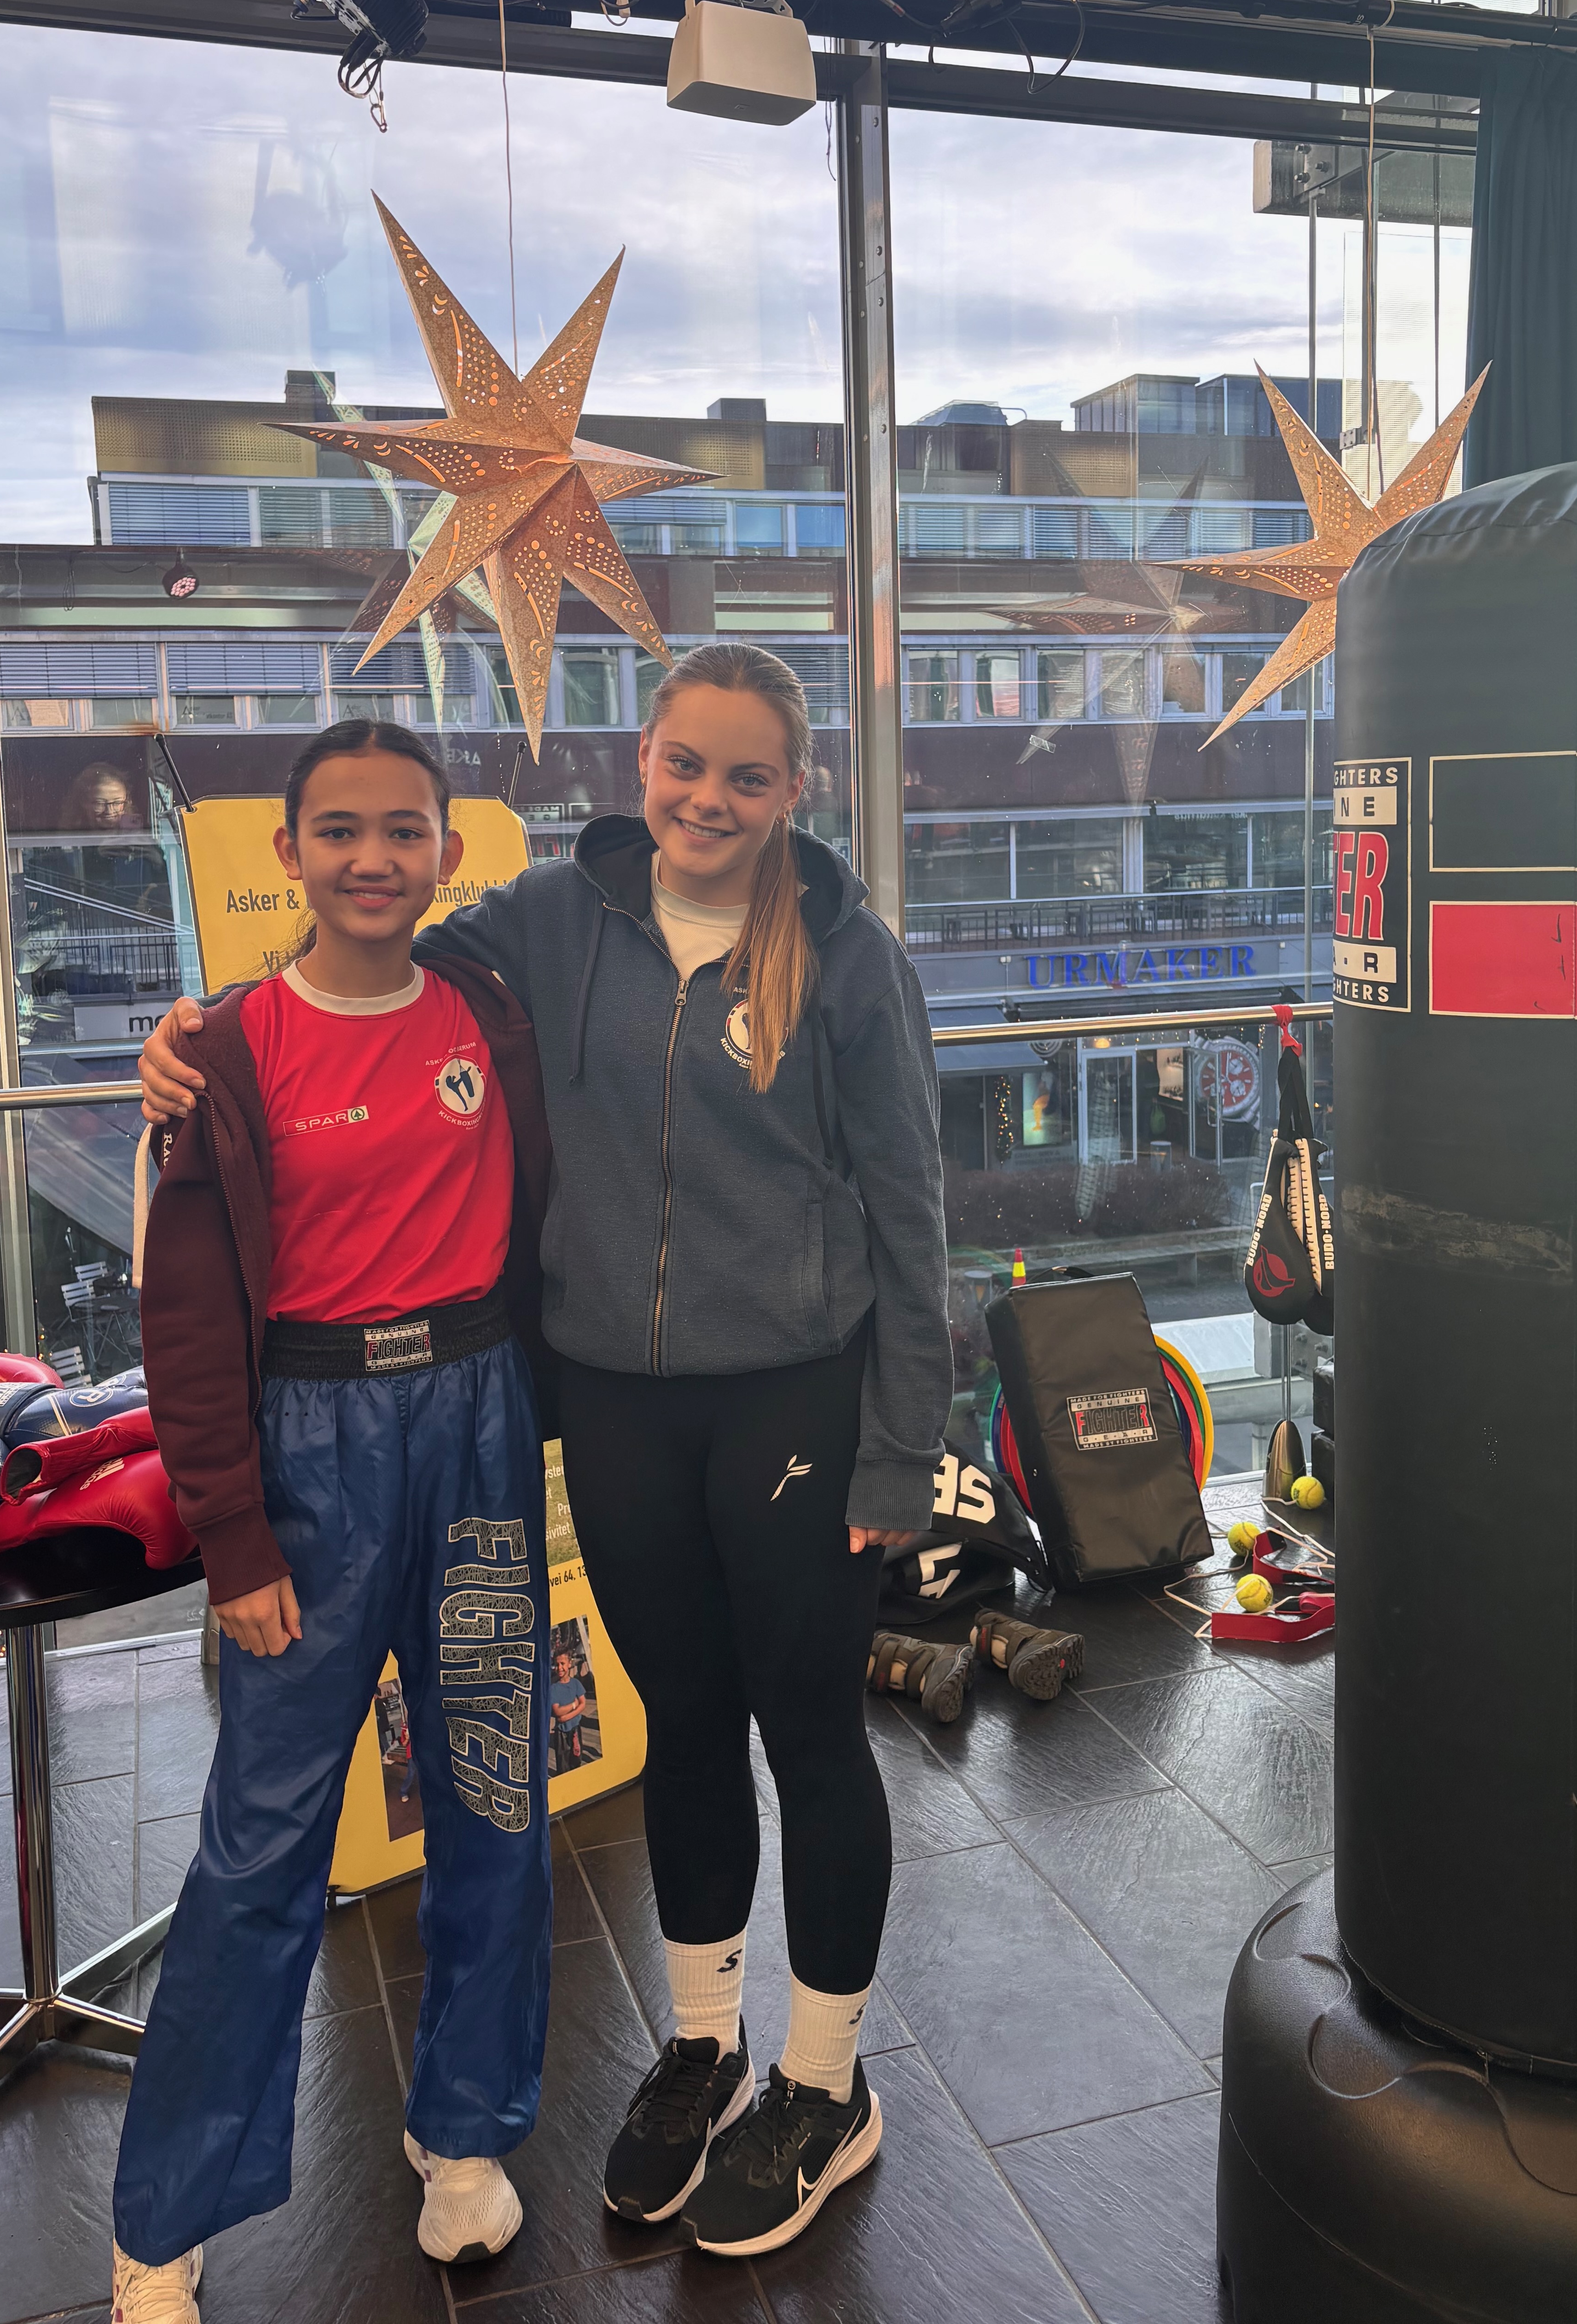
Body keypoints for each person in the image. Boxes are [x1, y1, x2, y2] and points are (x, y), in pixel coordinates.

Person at [139, 641, 952, 2261]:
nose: (707, 800)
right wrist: (201, 1031)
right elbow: (362, 961)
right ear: (641, 762)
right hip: (616, 1405)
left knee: (807, 1732)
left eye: (746, 777)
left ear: (793, 790)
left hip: (795, 1405)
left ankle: (823, 2081)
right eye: (683, 765)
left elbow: (912, 1214)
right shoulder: (546, 920)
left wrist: (897, 1455)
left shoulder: (847, 954)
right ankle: (706, 2044)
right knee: (682, 1732)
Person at [112, 720, 554, 2324]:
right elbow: (182, 1315)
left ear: (448, 850)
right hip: (307, 1448)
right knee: (263, 1840)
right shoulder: (226, 1051)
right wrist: (232, 1536)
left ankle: (466, 2132)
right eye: (342, 830)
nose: (374, 859)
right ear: (289, 852)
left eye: (405, 829)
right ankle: (164, 2219)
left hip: (480, 1424)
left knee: (493, 1793)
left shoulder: (491, 1008)